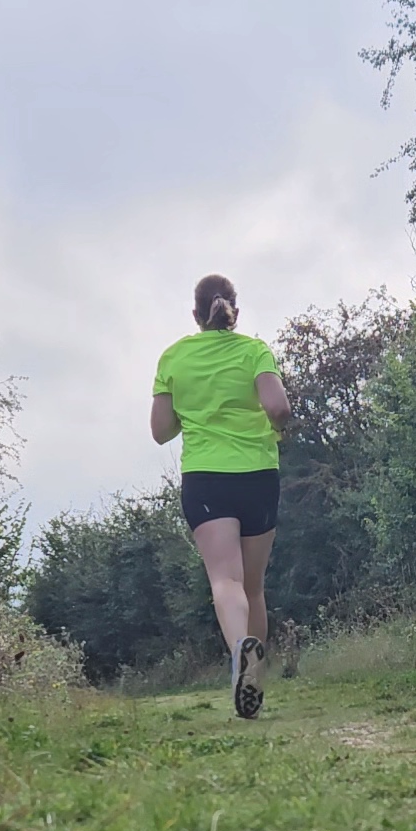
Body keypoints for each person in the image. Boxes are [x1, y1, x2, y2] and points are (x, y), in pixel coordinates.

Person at [150, 274, 291, 719]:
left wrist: (195, 412)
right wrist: (279, 430)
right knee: (253, 585)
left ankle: (239, 654)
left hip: (206, 478)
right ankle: (256, 678)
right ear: (235, 311)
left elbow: (160, 431)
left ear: (196, 315)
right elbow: (278, 408)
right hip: (257, 475)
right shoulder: (255, 351)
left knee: (225, 582)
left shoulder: (174, 357)